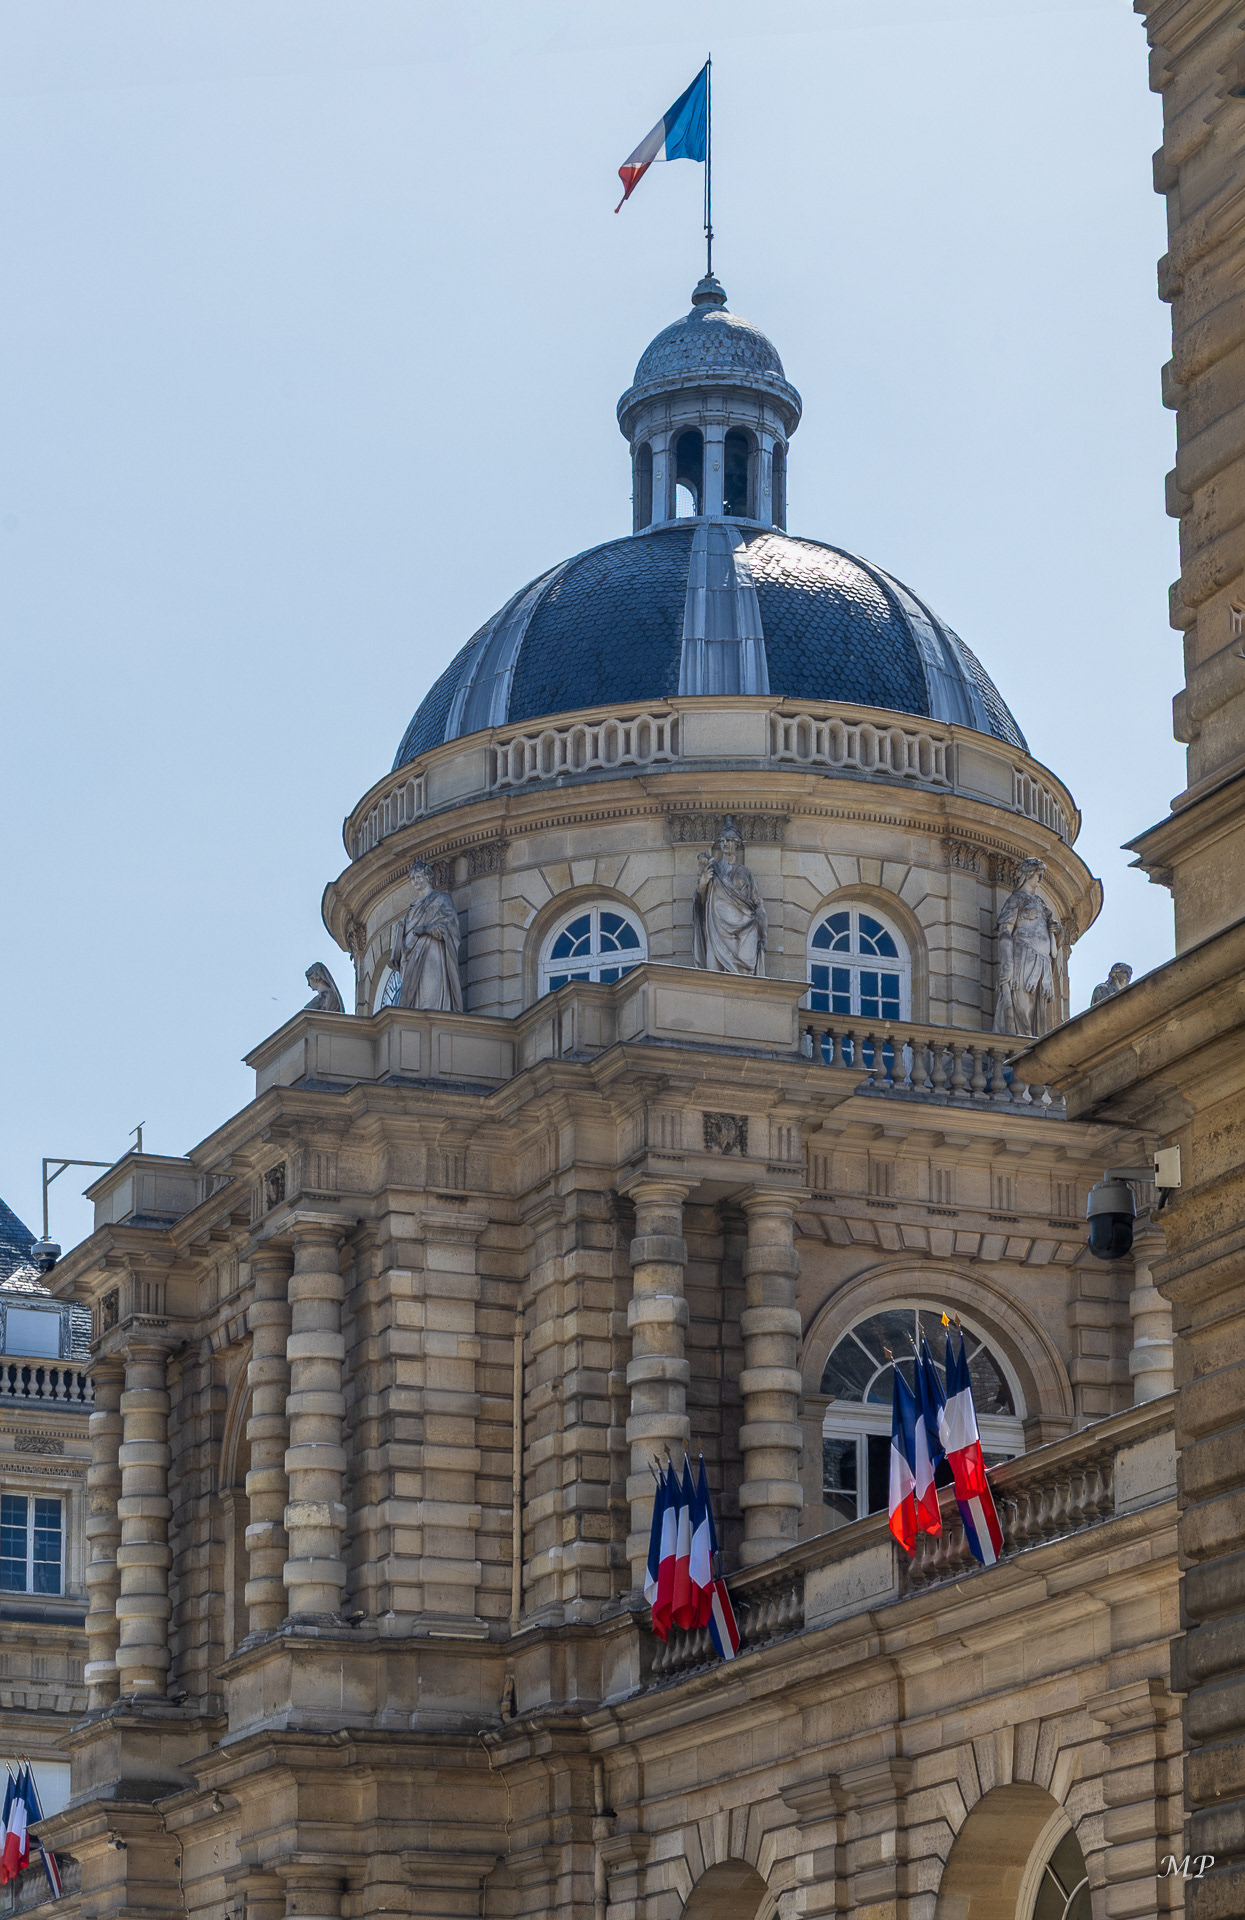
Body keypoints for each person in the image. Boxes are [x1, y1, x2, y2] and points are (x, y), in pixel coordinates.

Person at [993, 857, 1063, 1038]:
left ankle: (1033, 1044)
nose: (1040, 880)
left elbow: (1052, 931)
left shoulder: (1040, 903)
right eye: (1038, 875)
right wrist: (1007, 964)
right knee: (1021, 1005)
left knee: (1037, 1011)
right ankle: (1020, 1045)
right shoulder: (1015, 900)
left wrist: (1057, 931)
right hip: (1023, 957)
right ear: (1028, 874)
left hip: (1042, 962)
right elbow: (1005, 932)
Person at [693, 817, 767, 976]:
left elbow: (756, 902)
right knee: (715, 973)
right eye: (723, 841)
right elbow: (701, 901)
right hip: (717, 923)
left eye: (730, 840)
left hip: (743, 925)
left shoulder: (745, 872)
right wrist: (703, 883)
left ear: (737, 844)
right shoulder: (714, 869)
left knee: (743, 975)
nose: (726, 844)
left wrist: (763, 930)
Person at [390, 863, 464, 1012]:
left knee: (431, 991)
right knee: (415, 997)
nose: (415, 881)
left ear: (428, 877)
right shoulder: (412, 908)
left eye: (419, 877)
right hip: (411, 956)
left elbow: (450, 927)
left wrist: (426, 929)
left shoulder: (441, 899)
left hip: (432, 951)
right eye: (412, 879)